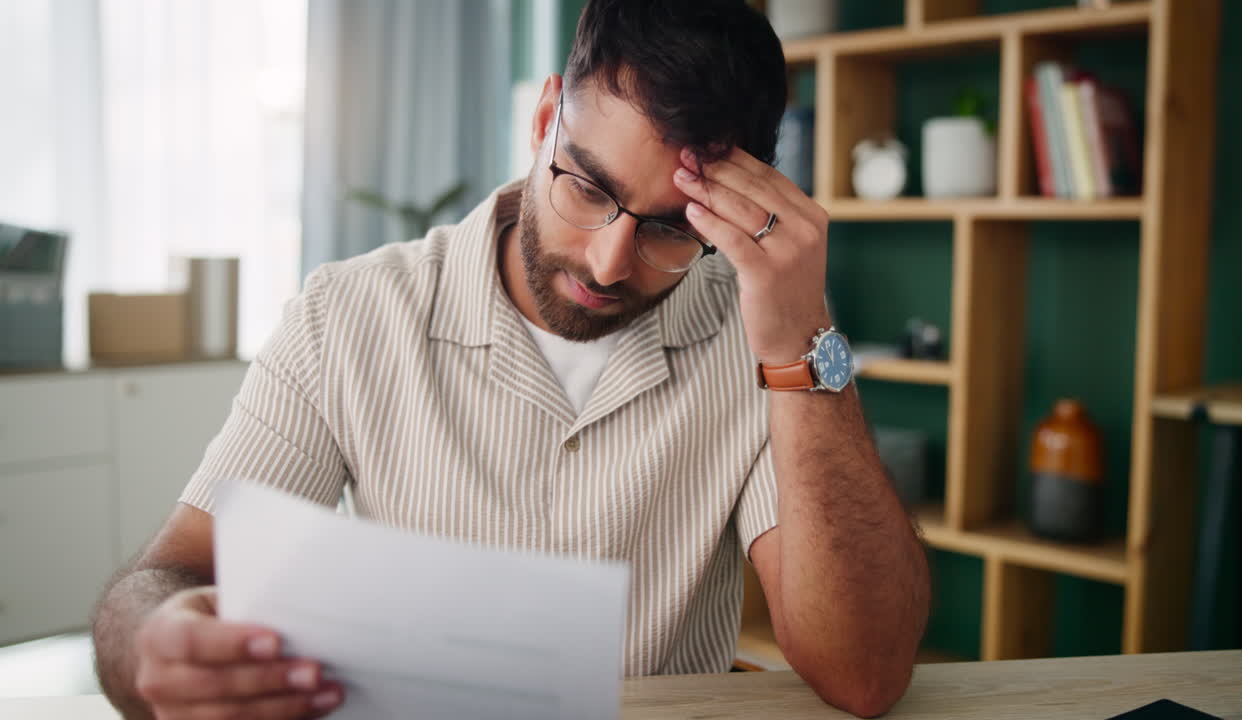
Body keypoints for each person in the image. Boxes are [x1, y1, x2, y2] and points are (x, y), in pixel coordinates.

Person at [92, 1, 930, 717]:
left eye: (672, 229)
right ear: (544, 120)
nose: (608, 263)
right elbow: (167, 574)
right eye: (589, 188)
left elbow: (864, 674)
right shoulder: (343, 317)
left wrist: (801, 344)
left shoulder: (762, 345)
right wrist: (155, 645)